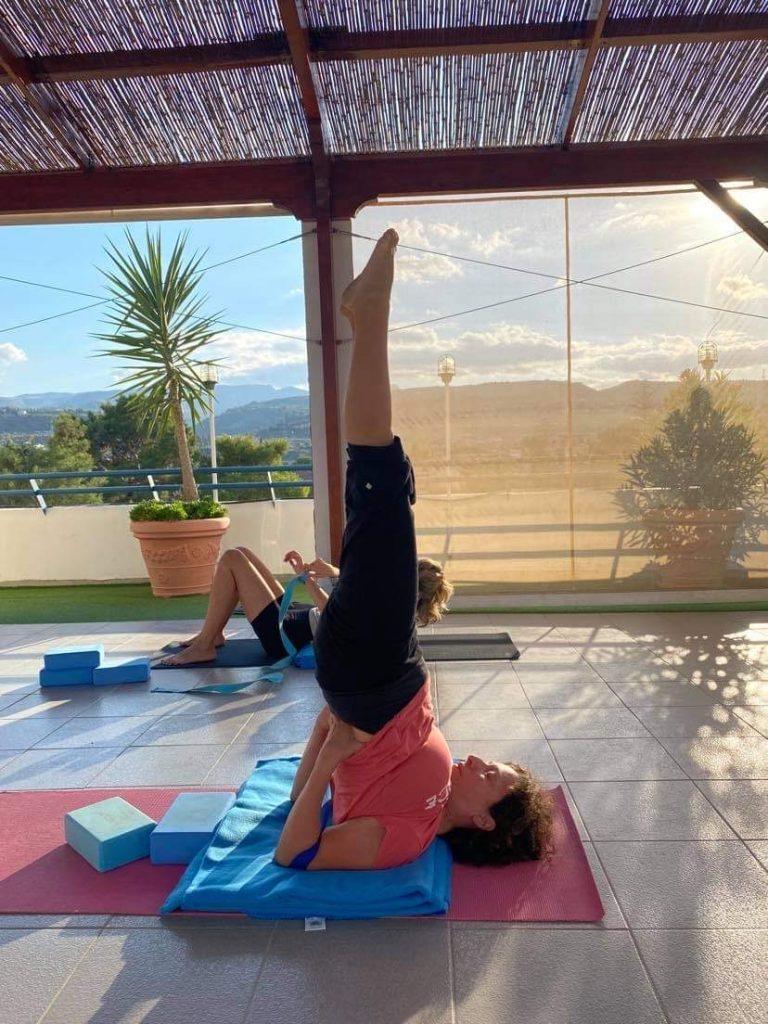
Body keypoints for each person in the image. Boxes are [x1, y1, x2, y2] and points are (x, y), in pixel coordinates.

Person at [273, 228, 555, 871]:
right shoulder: (433, 790)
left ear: (483, 819)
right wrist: (322, 744)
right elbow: (326, 728)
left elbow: (293, 856)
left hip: (374, 673)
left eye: (494, 778)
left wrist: (325, 770)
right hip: (378, 669)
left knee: (378, 482)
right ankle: (367, 314)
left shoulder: (408, 835)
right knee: (389, 487)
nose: (480, 760)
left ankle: (368, 315)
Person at [158, 546, 453, 668]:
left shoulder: (385, 614)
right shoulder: (393, 607)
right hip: (301, 619)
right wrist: (331, 572)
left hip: (285, 636)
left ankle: (206, 644)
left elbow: (335, 616)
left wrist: (308, 579)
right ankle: (213, 634)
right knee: (243, 553)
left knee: (233, 560)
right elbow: (356, 586)